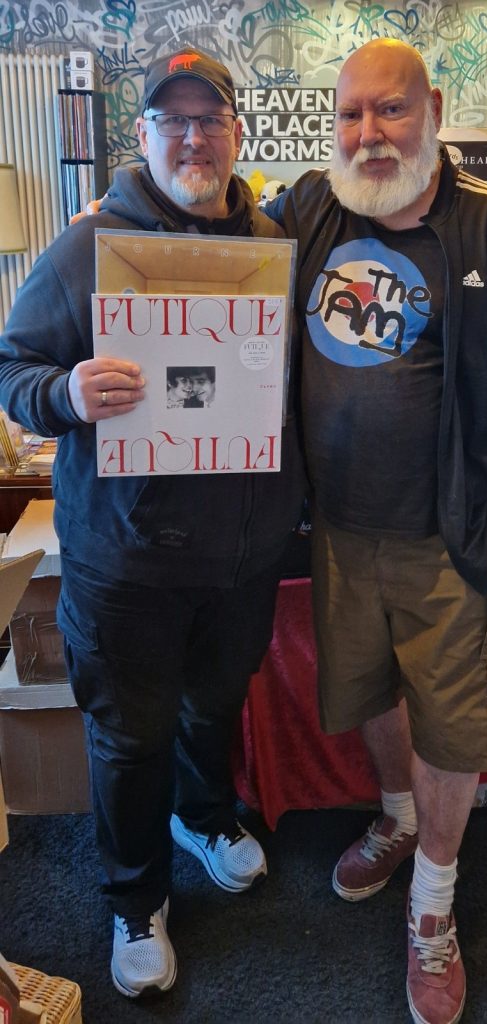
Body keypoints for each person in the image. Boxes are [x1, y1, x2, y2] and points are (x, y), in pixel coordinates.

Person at [264, 38, 487, 1024]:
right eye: (351, 113)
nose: (369, 132)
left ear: (430, 109)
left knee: (453, 723)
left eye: (390, 109)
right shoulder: (311, 208)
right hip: (340, 532)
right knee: (372, 692)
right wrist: (121, 224)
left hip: (455, 541)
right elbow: (223, 248)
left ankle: (432, 908)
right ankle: (398, 820)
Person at [0, 48, 305, 999]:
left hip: (242, 553)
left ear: (236, 133)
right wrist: (67, 392)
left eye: (209, 119)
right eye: (173, 120)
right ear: (143, 134)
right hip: (125, 561)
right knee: (128, 735)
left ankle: (202, 817)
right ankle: (135, 897)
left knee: (213, 705)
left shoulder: (275, 243)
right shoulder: (89, 244)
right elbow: (12, 370)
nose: (192, 137)